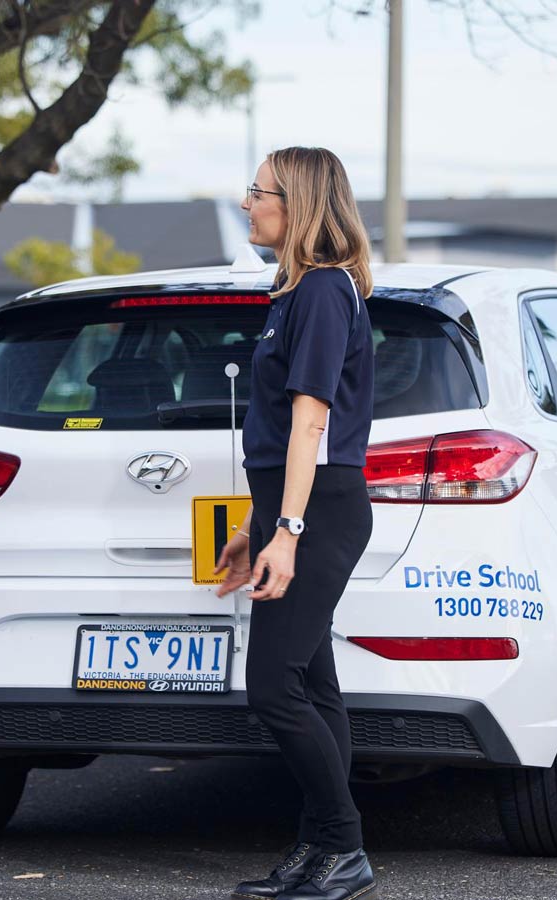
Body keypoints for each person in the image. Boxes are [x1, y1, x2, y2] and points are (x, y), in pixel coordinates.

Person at [215, 147, 378, 900]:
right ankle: (320, 848)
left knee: (274, 686)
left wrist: (288, 530)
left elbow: (311, 422)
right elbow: (281, 436)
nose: (248, 203)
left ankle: (342, 846)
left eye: (258, 191)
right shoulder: (295, 294)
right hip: (298, 507)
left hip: (322, 510)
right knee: (315, 687)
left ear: (299, 201)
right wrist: (260, 524)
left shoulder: (320, 292)